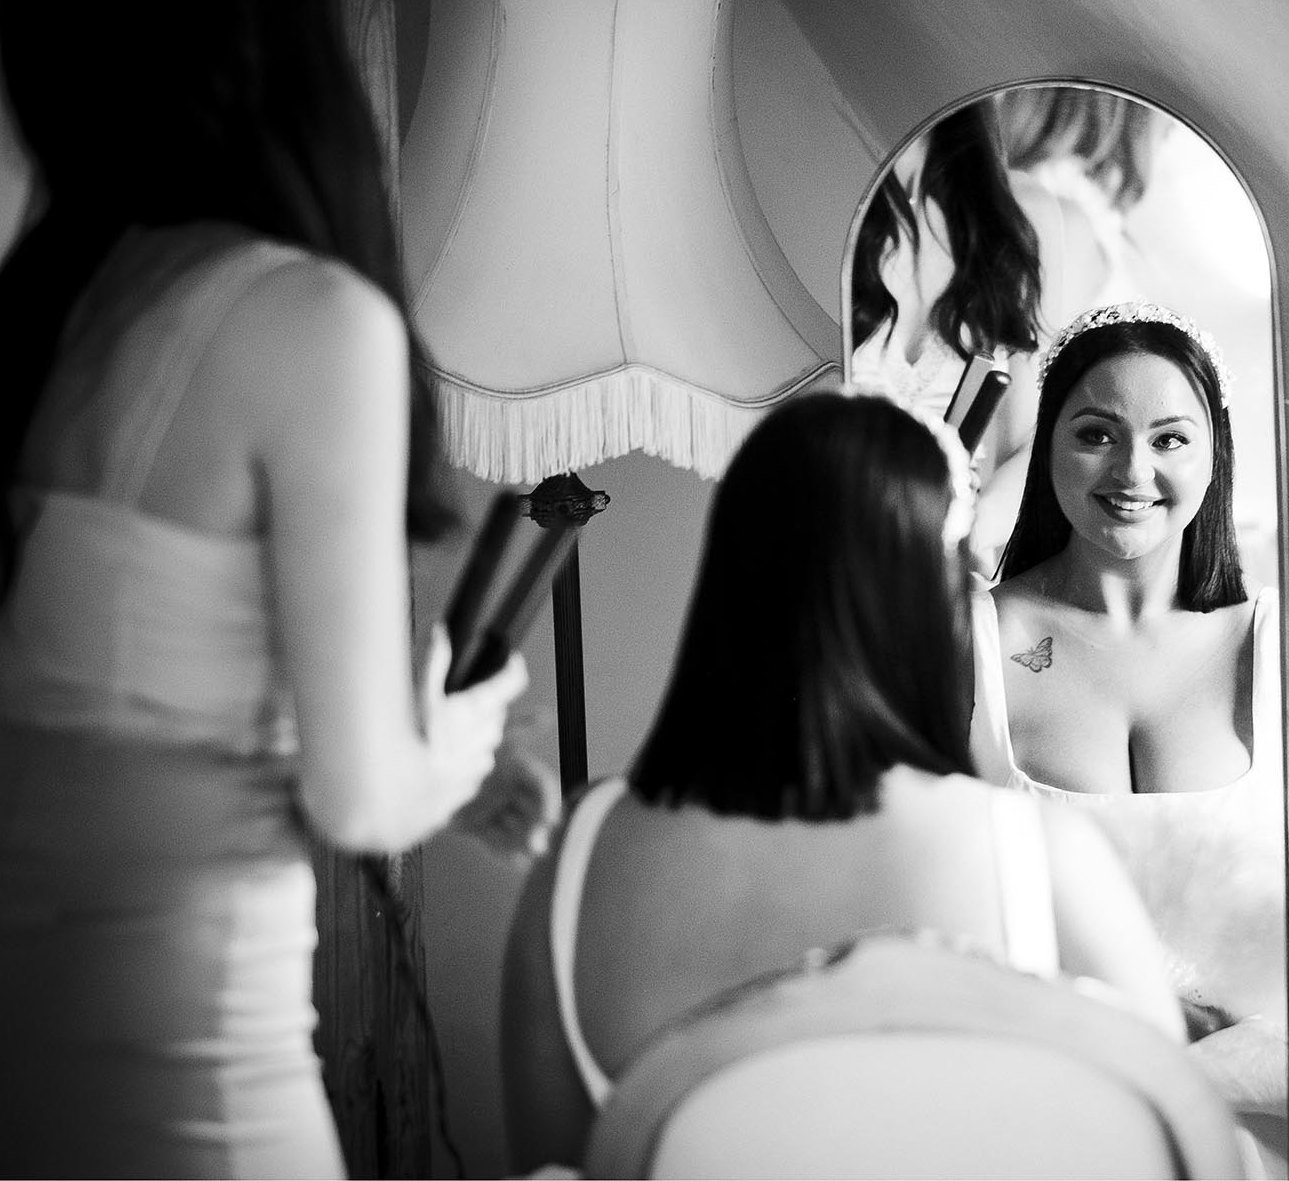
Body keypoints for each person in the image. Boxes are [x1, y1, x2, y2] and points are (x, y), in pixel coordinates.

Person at [0, 0, 547, 1175]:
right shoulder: (313, 317)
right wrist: (453, 738)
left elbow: (141, 684)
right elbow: (360, 801)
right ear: (276, 13)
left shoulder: (55, 299)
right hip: (158, 1039)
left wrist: (432, 764)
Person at [497, 391, 1187, 1174]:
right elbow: (1182, 1143)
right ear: (925, 598)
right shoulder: (1036, 856)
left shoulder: (578, 860)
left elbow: (546, 1169)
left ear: (728, 577)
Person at [971, 301, 1289, 1176]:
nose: (1133, 471)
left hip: (1256, 1136)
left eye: (1170, 438)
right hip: (1049, 1129)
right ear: (1048, 446)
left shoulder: (1277, 646)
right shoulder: (975, 640)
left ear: (1215, 453)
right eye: (1097, 434)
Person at [849, 101, 1110, 574]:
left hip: (949, 566)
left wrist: (971, 525)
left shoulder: (1020, 214)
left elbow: (1031, 440)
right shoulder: (825, 196)